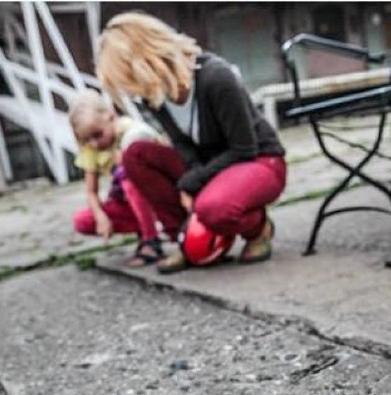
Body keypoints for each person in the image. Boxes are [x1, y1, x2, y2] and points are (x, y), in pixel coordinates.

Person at [96, 12, 287, 273]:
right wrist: (194, 178)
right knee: (136, 155)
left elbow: (244, 149)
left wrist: (192, 182)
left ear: (144, 60)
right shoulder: (155, 95)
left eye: (128, 78)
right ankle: (184, 240)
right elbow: (182, 145)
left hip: (259, 161)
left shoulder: (215, 77)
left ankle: (258, 228)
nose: (130, 90)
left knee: (213, 208)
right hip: (212, 166)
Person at [68, 89, 167, 267]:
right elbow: (91, 191)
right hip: (127, 201)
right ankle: (144, 230)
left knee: (127, 179)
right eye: (86, 140)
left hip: (155, 194)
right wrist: (100, 217)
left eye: (98, 135)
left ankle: (151, 241)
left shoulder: (130, 132)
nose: (94, 144)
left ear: (112, 118)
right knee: (82, 220)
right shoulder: (91, 150)